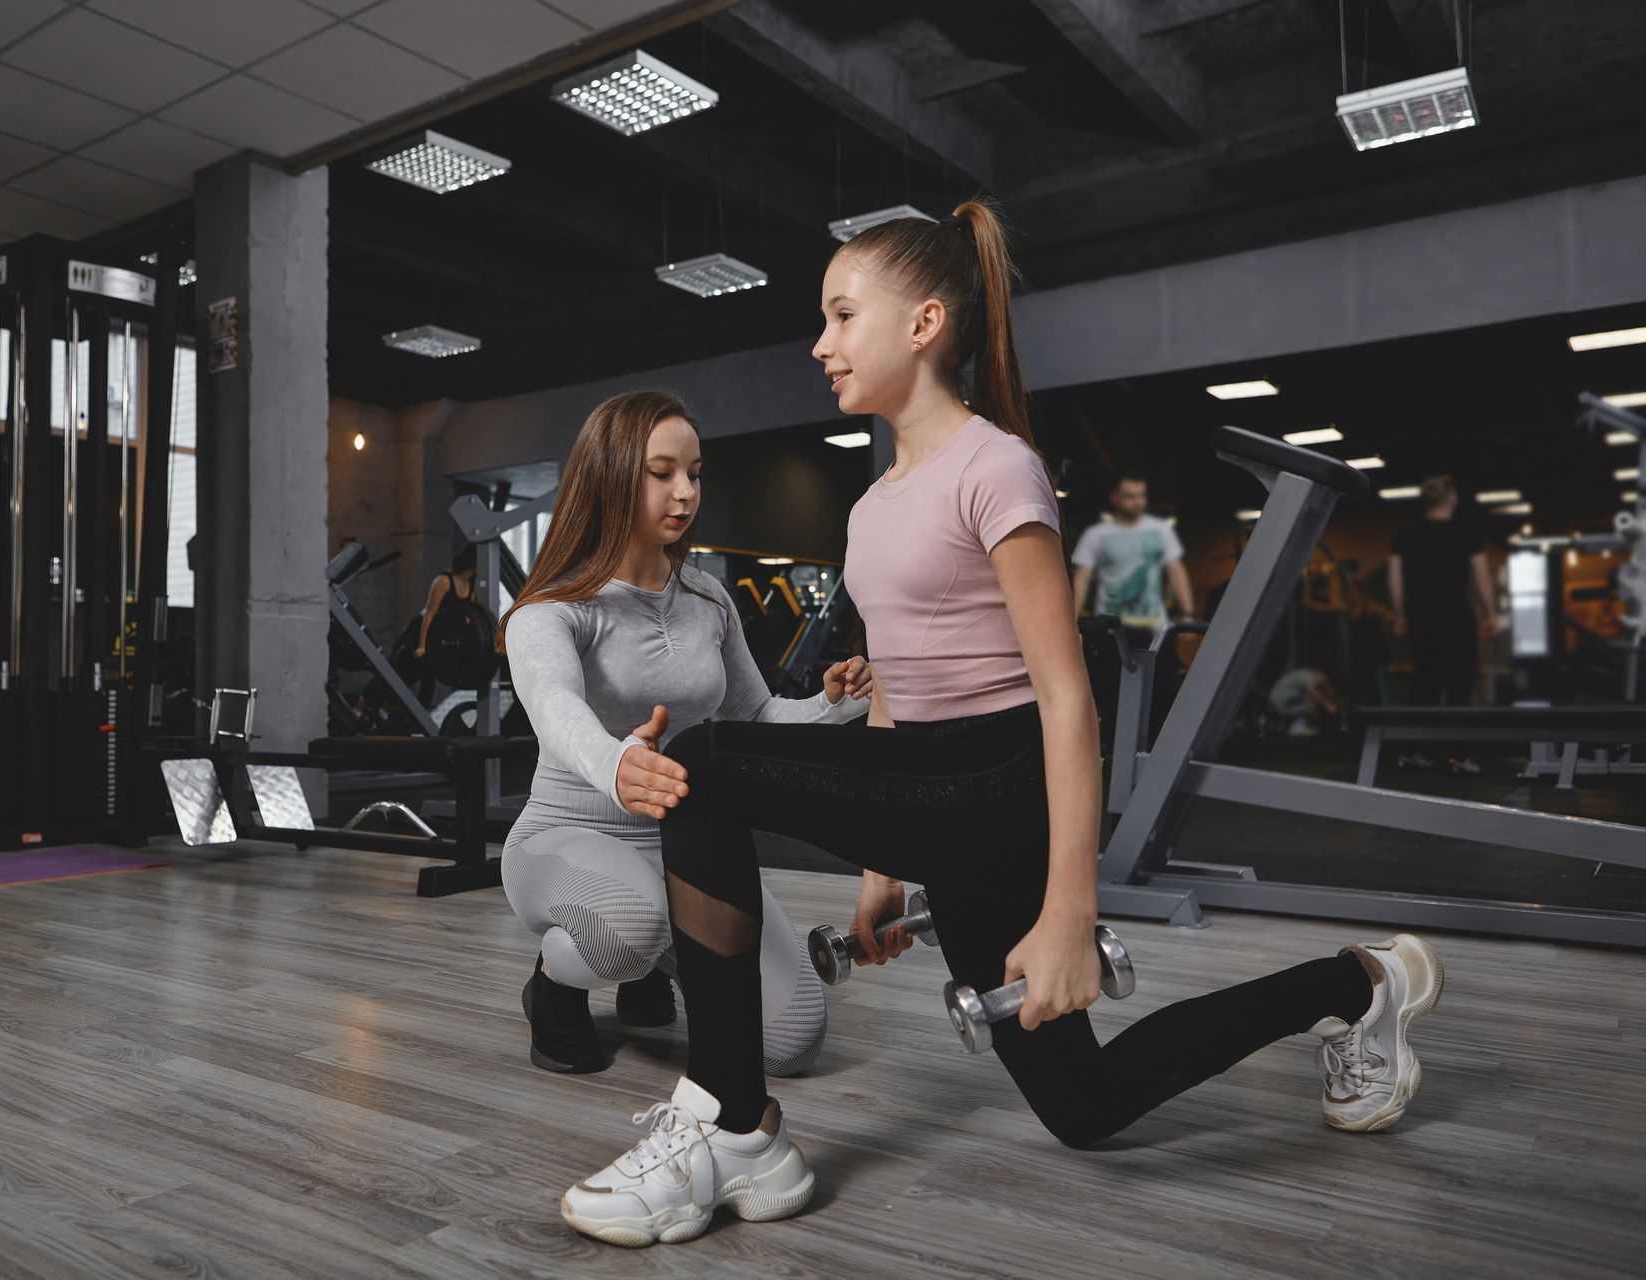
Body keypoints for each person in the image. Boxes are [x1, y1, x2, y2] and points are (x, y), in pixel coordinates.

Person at [554, 199, 1446, 1247]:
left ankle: (734, 1121)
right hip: (931, 787)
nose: (820, 342)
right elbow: (893, 675)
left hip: (995, 782)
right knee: (1088, 1103)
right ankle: (1361, 982)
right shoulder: (873, 502)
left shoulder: (998, 468)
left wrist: (1072, 908)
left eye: (843, 316)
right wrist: (881, 867)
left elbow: (1067, 695)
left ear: (924, 323)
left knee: (700, 761)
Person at [498, 390, 872, 1077]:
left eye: (694, 473)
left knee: (793, 1039)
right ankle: (554, 986)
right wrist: (618, 766)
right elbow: (555, 710)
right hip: (565, 837)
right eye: (661, 472)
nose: (685, 492)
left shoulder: (707, 599)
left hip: (689, 848)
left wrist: (832, 704)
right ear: (610, 476)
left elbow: (755, 716)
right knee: (628, 925)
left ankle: (652, 962)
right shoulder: (552, 609)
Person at [1388, 476, 1500, 708]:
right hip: (1457, 616)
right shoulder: (1467, 533)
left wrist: (1400, 615)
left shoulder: (1405, 536)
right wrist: (1491, 613)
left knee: (1426, 680)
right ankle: (1454, 740)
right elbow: (1482, 578)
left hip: (1422, 619)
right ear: (1452, 499)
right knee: (1461, 683)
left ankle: (1424, 741)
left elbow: (1395, 580)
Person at [1070, 470, 1195, 633]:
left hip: (1154, 626)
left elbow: (1176, 570)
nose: (1138, 502)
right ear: (1115, 498)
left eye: (1141, 496)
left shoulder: (1160, 530)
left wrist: (1188, 614)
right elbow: (1082, 578)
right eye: (1130, 496)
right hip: (1111, 628)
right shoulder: (1095, 534)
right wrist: (1072, 621)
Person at [415, 544, 480, 662]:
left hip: (447, 633)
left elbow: (467, 613)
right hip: (427, 632)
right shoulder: (443, 581)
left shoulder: (472, 582)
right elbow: (429, 614)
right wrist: (421, 646)